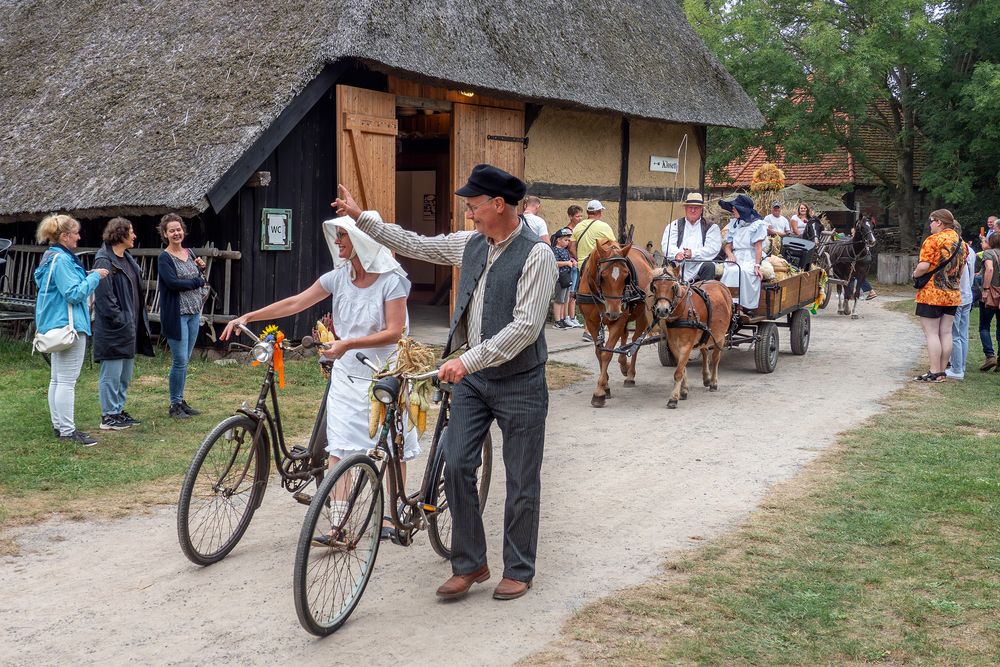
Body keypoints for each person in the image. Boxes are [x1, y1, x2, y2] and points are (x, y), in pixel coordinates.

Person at [332, 163, 557, 602]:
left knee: (522, 479)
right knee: (455, 465)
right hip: (473, 381)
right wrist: (363, 219)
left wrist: (466, 361)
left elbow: (526, 327)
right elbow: (417, 244)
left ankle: (519, 568)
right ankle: (470, 563)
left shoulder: (537, 254)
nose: (469, 214)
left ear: (498, 205)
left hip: (520, 381)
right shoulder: (471, 243)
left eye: (474, 206)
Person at [222, 218, 415, 538]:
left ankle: (391, 517)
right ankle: (339, 524)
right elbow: (297, 301)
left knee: (392, 445)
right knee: (338, 446)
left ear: (362, 241)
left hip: (384, 372)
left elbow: (394, 332)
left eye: (343, 236)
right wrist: (249, 315)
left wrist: (348, 343)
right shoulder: (339, 278)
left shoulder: (391, 281)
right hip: (346, 372)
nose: (337, 242)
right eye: (337, 236)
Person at [33, 214, 109, 445]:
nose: (78, 236)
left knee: (57, 379)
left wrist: (85, 278)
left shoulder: (50, 258)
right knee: (66, 381)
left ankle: (60, 426)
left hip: (53, 323)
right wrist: (94, 277)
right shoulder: (64, 260)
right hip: (69, 326)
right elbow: (73, 294)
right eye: (75, 233)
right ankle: (67, 430)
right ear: (65, 236)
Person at [93, 217, 154, 430]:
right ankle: (108, 416)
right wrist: (121, 319)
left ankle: (118, 411)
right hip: (114, 329)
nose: (134, 236)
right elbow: (104, 298)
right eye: (131, 232)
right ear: (120, 234)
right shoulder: (104, 261)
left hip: (129, 327)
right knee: (111, 374)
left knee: (124, 375)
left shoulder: (127, 259)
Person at [157, 213, 208, 418]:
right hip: (176, 315)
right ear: (165, 234)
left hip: (194, 312)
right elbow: (172, 283)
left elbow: (200, 277)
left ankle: (180, 400)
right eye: (172, 230)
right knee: (179, 360)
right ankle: (174, 405)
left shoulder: (190, 252)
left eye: (179, 229)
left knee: (185, 359)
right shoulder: (165, 258)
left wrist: (200, 269)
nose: (176, 233)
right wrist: (196, 282)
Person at [911, 209, 966, 382]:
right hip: (953, 294)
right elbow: (961, 270)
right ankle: (942, 371)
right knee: (946, 333)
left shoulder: (933, 240)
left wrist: (914, 275)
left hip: (932, 294)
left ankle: (934, 371)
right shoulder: (961, 243)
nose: (930, 224)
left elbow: (923, 266)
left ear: (939, 222)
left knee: (932, 334)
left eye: (931, 221)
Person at [570, 200, 617, 341]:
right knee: (607, 294)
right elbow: (614, 246)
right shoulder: (604, 226)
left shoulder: (578, 226)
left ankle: (588, 329)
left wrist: (581, 259)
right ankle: (606, 325)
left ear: (588, 212)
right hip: (600, 267)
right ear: (599, 212)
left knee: (585, 296)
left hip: (583, 266)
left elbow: (572, 247)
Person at [719, 195, 767, 311]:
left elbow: (758, 247)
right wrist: (730, 255)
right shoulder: (735, 225)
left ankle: (742, 306)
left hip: (751, 257)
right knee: (730, 270)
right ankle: (728, 302)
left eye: (735, 208)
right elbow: (728, 246)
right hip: (736, 257)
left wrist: (757, 265)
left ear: (743, 209)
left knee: (744, 272)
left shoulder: (757, 224)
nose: (733, 210)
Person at [660, 192, 721, 282]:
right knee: (666, 269)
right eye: (690, 207)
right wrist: (676, 254)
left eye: (696, 208)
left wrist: (693, 253)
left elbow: (712, 248)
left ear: (701, 209)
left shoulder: (711, 227)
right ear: (685, 208)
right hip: (678, 264)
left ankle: (705, 295)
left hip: (699, 264)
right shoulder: (674, 225)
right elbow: (666, 245)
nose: (693, 210)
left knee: (709, 266)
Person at [945, 237, 977, 380]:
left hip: (957, 295)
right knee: (963, 334)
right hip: (967, 294)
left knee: (954, 334)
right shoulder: (970, 250)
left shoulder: (955, 249)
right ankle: (961, 365)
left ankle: (956, 368)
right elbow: (971, 275)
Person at [977, 232, 1000, 371]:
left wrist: (985, 289)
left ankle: (990, 356)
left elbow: (989, 269)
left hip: (991, 294)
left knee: (984, 326)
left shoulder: (989, 253)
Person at [549, 228, 576, 328]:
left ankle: (562, 319)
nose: (567, 242)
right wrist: (566, 263)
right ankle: (557, 321)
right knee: (559, 300)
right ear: (558, 240)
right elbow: (554, 263)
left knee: (564, 300)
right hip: (559, 278)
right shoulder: (554, 250)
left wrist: (572, 261)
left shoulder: (565, 251)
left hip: (566, 277)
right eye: (565, 240)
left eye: (568, 240)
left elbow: (568, 260)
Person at [564, 205, 584, 327]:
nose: (580, 218)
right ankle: (566, 317)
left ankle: (572, 317)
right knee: (569, 293)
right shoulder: (567, 231)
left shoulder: (579, 229)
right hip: (571, 264)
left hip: (577, 265)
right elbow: (569, 248)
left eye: (581, 216)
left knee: (574, 293)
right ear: (571, 216)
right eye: (577, 216)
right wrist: (576, 258)